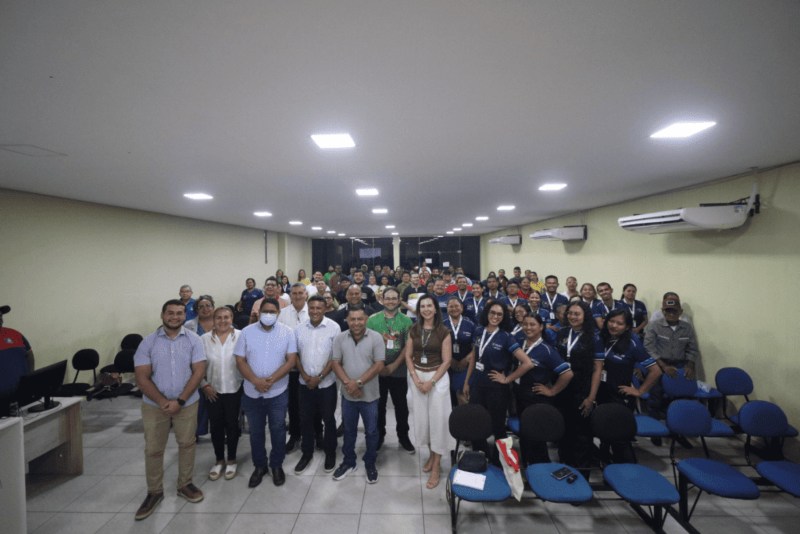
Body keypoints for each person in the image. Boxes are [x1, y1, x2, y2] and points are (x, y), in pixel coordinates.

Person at [133, 300, 207, 520]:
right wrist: (163, 402)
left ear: (185, 316)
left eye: (179, 313)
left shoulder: (194, 340)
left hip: (187, 402)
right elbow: (141, 377)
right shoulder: (148, 342)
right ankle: (154, 492)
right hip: (154, 405)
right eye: (170, 313)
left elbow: (198, 371)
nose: (175, 317)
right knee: (154, 449)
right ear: (162, 315)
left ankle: (185, 484)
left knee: (187, 444)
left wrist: (180, 401)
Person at [235, 298, 298, 488]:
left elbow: (291, 360)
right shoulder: (246, 332)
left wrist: (271, 380)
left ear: (278, 313)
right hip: (252, 392)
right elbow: (240, 360)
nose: (268, 315)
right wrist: (256, 381)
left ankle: (276, 464)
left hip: (277, 391)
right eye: (265, 311)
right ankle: (260, 466)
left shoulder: (287, 332)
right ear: (259, 312)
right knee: (256, 432)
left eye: (272, 312)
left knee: (278, 429)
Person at [464, 302, 533, 463]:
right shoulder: (478, 331)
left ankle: (499, 461)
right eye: (492, 312)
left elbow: (527, 363)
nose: (495, 316)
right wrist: (467, 381)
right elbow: (474, 358)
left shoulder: (506, 337)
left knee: (498, 427)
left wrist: (507, 379)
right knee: (476, 422)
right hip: (477, 385)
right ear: (487, 313)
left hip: (496, 389)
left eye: (499, 314)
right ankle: (481, 457)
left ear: (504, 317)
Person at [404, 294, 455, 489]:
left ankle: (436, 465)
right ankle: (431, 456)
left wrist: (431, 382)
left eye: (429, 306)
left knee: (438, 422)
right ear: (419, 310)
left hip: (437, 379)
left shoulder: (444, 331)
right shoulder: (414, 329)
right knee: (423, 421)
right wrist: (415, 378)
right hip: (417, 377)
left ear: (435, 309)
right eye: (422, 306)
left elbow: (447, 361)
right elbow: (408, 356)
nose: (426, 309)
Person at [597, 309, 661, 461]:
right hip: (602, 392)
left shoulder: (633, 342)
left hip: (620, 396)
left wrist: (640, 391)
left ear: (627, 327)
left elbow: (656, 371)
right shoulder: (602, 337)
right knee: (604, 431)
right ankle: (606, 462)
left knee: (620, 438)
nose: (614, 325)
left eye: (619, 323)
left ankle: (627, 469)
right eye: (611, 321)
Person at [331, 305, 385, 484]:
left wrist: (358, 383)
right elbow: (336, 363)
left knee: (371, 431)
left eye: (360, 319)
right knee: (349, 430)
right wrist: (349, 384)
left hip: (370, 395)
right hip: (348, 395)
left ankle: (370, 462)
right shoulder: (340, 338)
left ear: (366, 319)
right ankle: (349, 462)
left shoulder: (376, 337)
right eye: (352, 319)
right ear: (347, 320)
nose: (356, 323)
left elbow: (379, 364)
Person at [554, 301, 604, 479]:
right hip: (562, 387)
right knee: (564, 431)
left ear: (585, 316)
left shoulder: (594, 337)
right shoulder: (562, 332)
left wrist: (591, 397)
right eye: (570, 313)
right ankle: (565, 467)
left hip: (582, 388)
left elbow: (597, 369)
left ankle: (582, 475)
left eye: (577, 314)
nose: (572, 317)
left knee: (581, 434)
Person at [515, 313, 573, 465]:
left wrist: (552, 391)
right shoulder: (519, 343)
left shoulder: (547, 350)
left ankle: (540, 468)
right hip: (520, 394)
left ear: (541, 327)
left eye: (532, 324)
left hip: (535, 398)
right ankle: (527, 466)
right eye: (525, 324)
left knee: (535, 437)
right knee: (524, 435)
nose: (528, 328)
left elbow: (567, 374)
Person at [294, 295, 341, 475]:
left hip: (326, 383)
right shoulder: (299, 329)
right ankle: (307, 453)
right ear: (308, 308)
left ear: (325, 308)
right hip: (304, 383)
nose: (315, 311)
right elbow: (295, 355)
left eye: (318, 308)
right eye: (312, 308)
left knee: (328, 419)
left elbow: (335, 357)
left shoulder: (334, 327)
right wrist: (305, 376)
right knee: (305, 419)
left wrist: (319, 377)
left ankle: (330, 452)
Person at [366, 287, 415, 453]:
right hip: (377, 370)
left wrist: (394, 366)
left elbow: (408, 347)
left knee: (401, 406)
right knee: (378, 406)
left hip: (399, 369)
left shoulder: (406, 321)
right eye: (388, 298)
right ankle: (379, 435)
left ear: (399, 300)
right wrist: (379, 365)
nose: (391, 301)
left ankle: (403, 436)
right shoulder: (372, 320)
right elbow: (368, 345)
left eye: (394, 298)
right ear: (382, 300)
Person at [200, 306, 243, 481]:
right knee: (216, 426)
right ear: (213, 319)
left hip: (235, 388)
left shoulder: (241, 336)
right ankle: (219, 460)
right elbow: (196, 365)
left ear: (232, 318)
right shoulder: (203, 339)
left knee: (232, 426)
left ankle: (231, 459)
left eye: (226, 317)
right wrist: (204, 385)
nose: (223, 321)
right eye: (218, 317)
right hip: (212, 390)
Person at [643, 293, 701, 423]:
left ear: (680, 312)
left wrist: (690, 365)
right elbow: (648, 348)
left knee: (681, 395)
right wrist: (664, 366)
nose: (671, 314)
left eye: (674, 311)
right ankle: (654, 424)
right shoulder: (654, 326)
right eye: (667, 311)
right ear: (663, 311)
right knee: (656, 396)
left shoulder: (687, 328)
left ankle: (679, 424)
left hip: (680, 364)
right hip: (658, 364)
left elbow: (692, 348)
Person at [277, 283, 310, 455]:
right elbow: (278, 338)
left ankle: (313, 433)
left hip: (309, 366)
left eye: (300, 293)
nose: (297, 296)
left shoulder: (312, 311)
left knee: (310, 404)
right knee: (293, 404)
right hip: (289, 368)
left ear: (306, 294)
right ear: (290, 295)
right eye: (294, 293)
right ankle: (295, 435)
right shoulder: (282, 314)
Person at [184, 294, 215, 439]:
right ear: (196, 310)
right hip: (196, 371)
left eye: (208, 305)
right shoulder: (188, 326)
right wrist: (202, 382)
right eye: (201, 306)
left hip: (217, 370)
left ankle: (219, 431)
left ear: (213, 307)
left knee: (218, 403)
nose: (205, 309)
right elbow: (186, 353)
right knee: (198, 404)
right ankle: (196, 432)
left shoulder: (221, 322)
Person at [443, 297, 477, 407]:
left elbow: (476, 347)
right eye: (451, 306)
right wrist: (450, 360)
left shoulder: (470, 324)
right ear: (447, 308)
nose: (454, 309)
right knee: (448, 396)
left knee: (463, 395)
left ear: (462, 308)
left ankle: (462, 416)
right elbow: (438, 346)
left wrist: (466, 359)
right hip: (447, 366)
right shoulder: (441, 324)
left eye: (457, 306)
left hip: (466, 366)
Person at [0, 305, 35, 405]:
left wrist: (30, 377)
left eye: (0, 315)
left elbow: (29, 355)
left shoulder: (15, 334)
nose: (0, 318)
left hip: (22, 394)